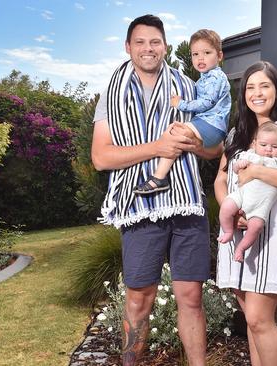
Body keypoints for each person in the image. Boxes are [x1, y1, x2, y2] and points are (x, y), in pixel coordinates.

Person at [90, 14, 221, 366]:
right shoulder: (111, 96)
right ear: (128, 47)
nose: (148, 48)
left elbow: (215, 148)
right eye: (140, 42)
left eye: (155, 42)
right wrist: (159, 147)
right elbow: (101, 157)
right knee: (139, 298)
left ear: (164, 46)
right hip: (139, 205)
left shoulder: (190, 89)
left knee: (191, 296)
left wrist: (193, 144)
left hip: (186, 202)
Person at [214, 61, 277, 366]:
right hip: (239, 235)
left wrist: (255, 170)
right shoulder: (236, 135)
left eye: (265, 86)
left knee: (259, 320)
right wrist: (230, 211)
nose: (257, 93)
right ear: (243, 93)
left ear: (276, 90)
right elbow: (220, 180)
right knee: (251, 321)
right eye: (251, 87)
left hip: (272, 236)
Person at [133, 28, 231, 195]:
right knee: (176, 132)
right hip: (207, 123)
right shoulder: (205, 77)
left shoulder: (216, 77)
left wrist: (181, 104)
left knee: (176, 132)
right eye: (195, 54)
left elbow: (207, 102)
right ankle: (160, 176)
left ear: (219, 56)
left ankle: (159, 177)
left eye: (207, 52)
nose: (200, 58)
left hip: (212, 125)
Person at [217, 122, 277, 262]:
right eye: (263, 145)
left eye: (275, 146)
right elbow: (235, 168)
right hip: (242, 194)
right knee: (226, 206)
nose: (268, 150)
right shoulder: (250, 155)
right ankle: (228, 231)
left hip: (262, 204)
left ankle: (241, 248)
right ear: (254, 144)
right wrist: (239, 165)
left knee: (256, 226)